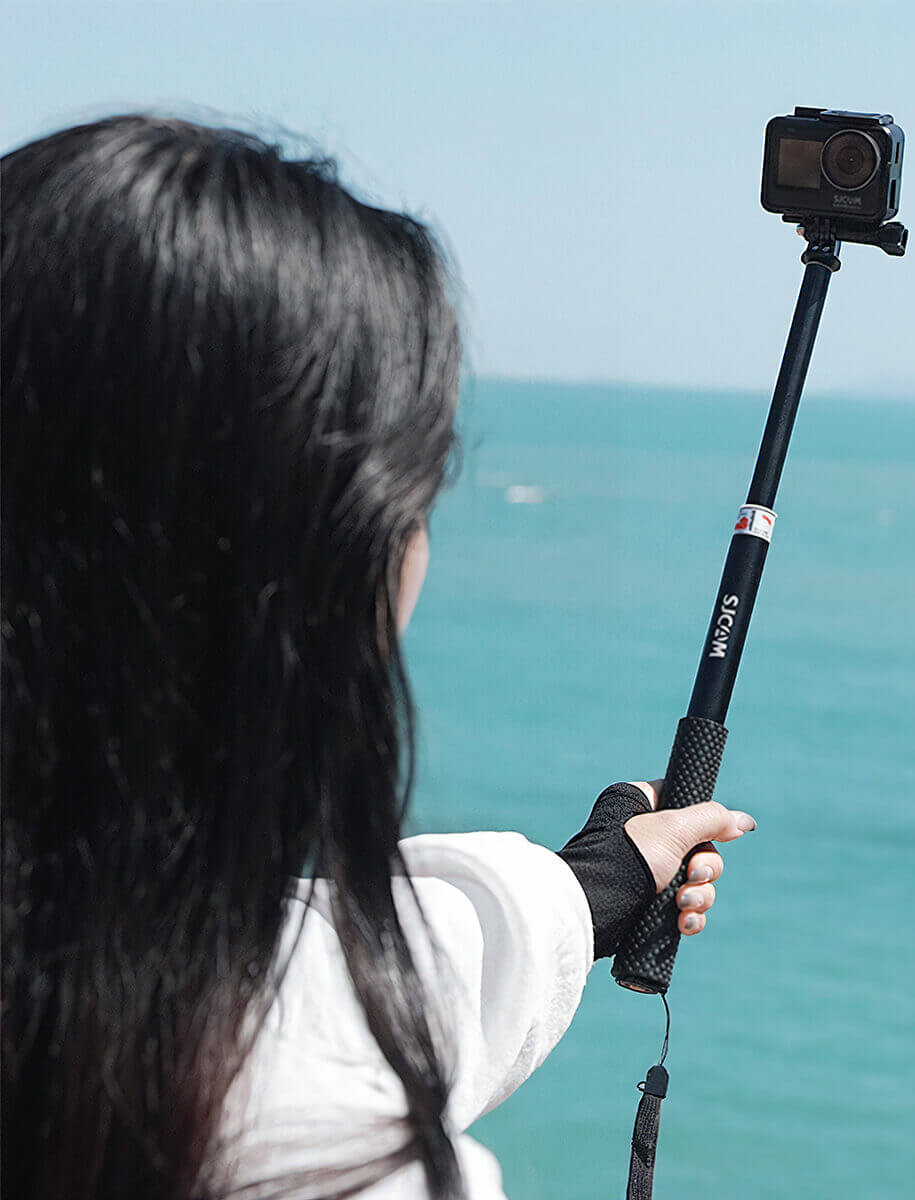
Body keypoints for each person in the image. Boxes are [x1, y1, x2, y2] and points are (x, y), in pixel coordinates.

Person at [0, 116, 756, 1200]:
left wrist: (594, 883)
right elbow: (303, 1038)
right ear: (286, 574)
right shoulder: (322, 1154)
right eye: (412, 495)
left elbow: (331, 979)